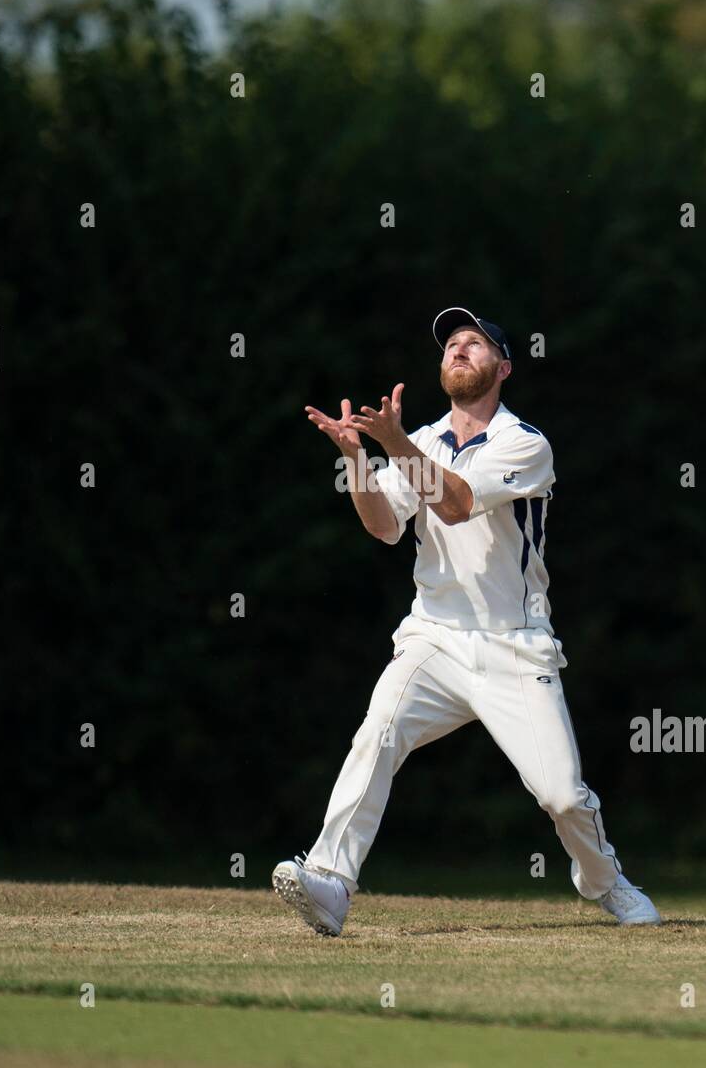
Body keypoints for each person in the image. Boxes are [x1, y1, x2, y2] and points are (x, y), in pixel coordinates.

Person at [273, 307, 661, 934]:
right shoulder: (421, 440)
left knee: (562, 797)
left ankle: (605, 882)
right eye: (451, 344)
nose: (458, 350)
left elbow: (453, 504)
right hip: (435, 637)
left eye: (474, 344)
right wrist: (355, 461)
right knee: (378, 734)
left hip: (516, 646)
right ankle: (330, 882)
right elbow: (383, 527)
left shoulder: (524, 443)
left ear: (502, 367)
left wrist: (392, 444)